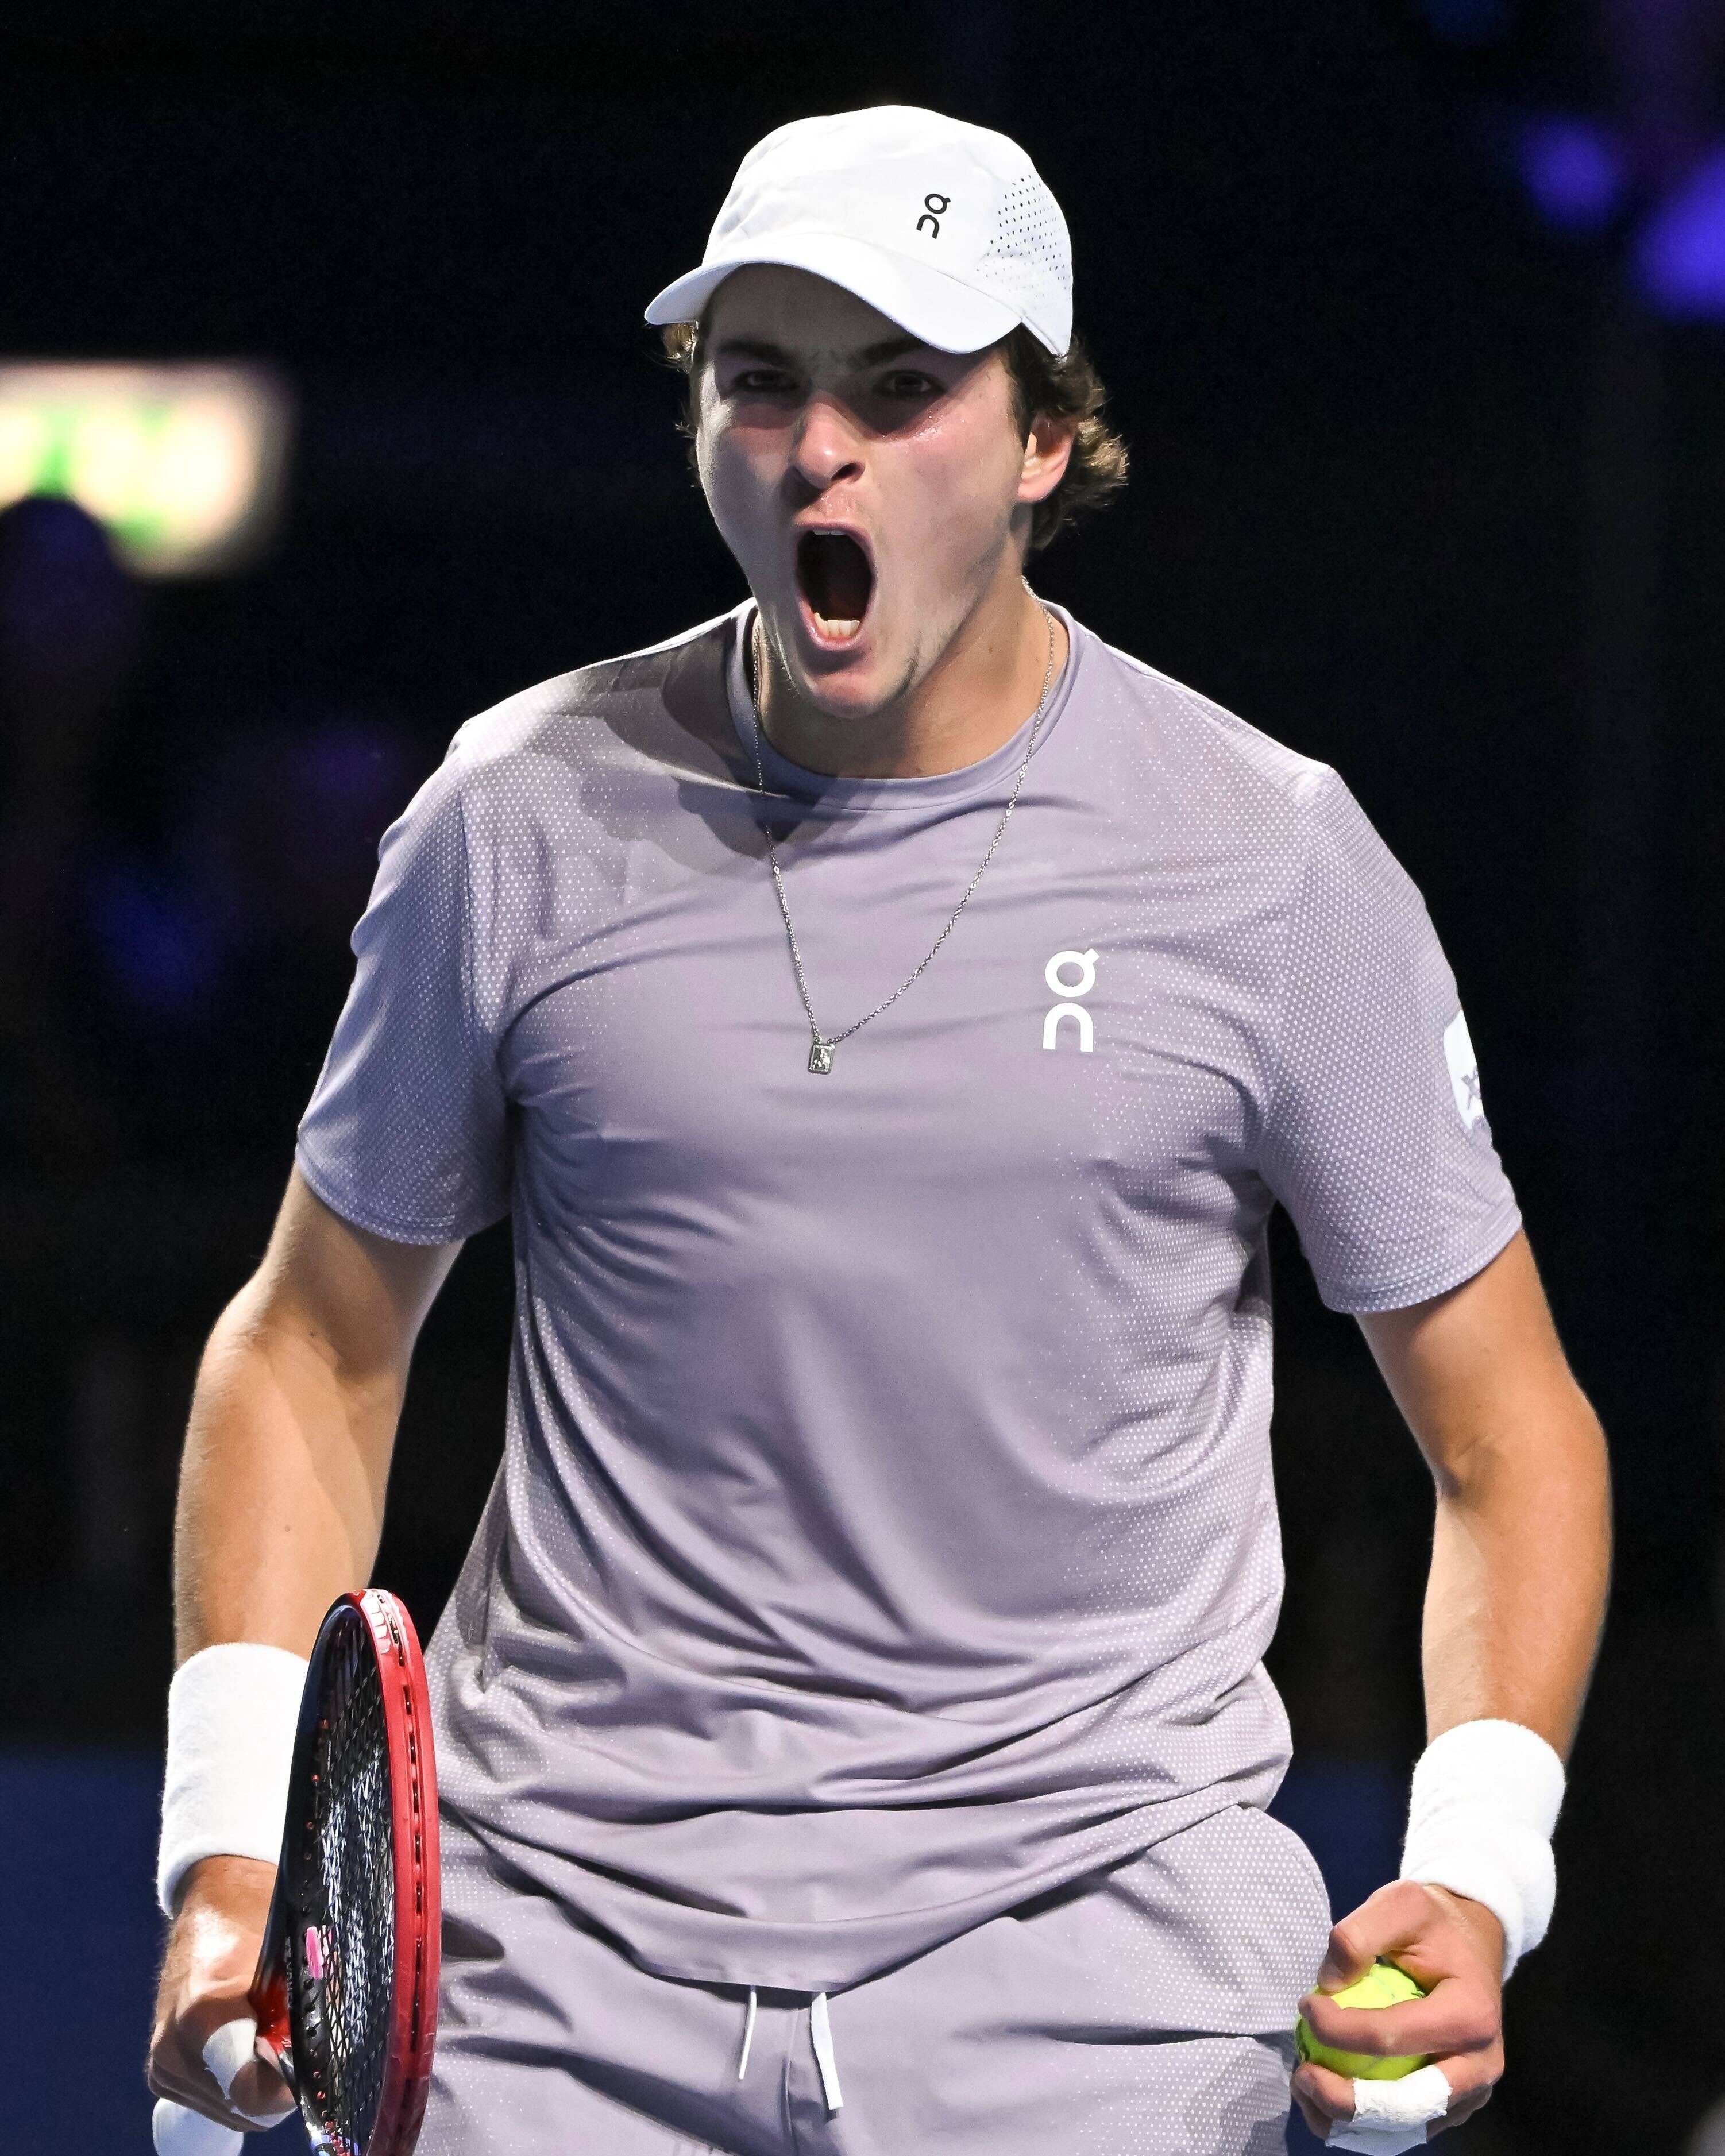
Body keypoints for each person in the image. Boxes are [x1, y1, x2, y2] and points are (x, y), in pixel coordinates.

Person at [148, 106, 1611, 2155]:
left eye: (902, 388)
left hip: (1094, 1964)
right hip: (548, 1959)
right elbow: (310, 1341)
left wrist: (1474, 1870)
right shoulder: (512, 817)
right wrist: (231, 1845)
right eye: (761, 382)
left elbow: (1506, 1429)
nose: (817, 448)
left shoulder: (1267, 859)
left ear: (1042, 443)